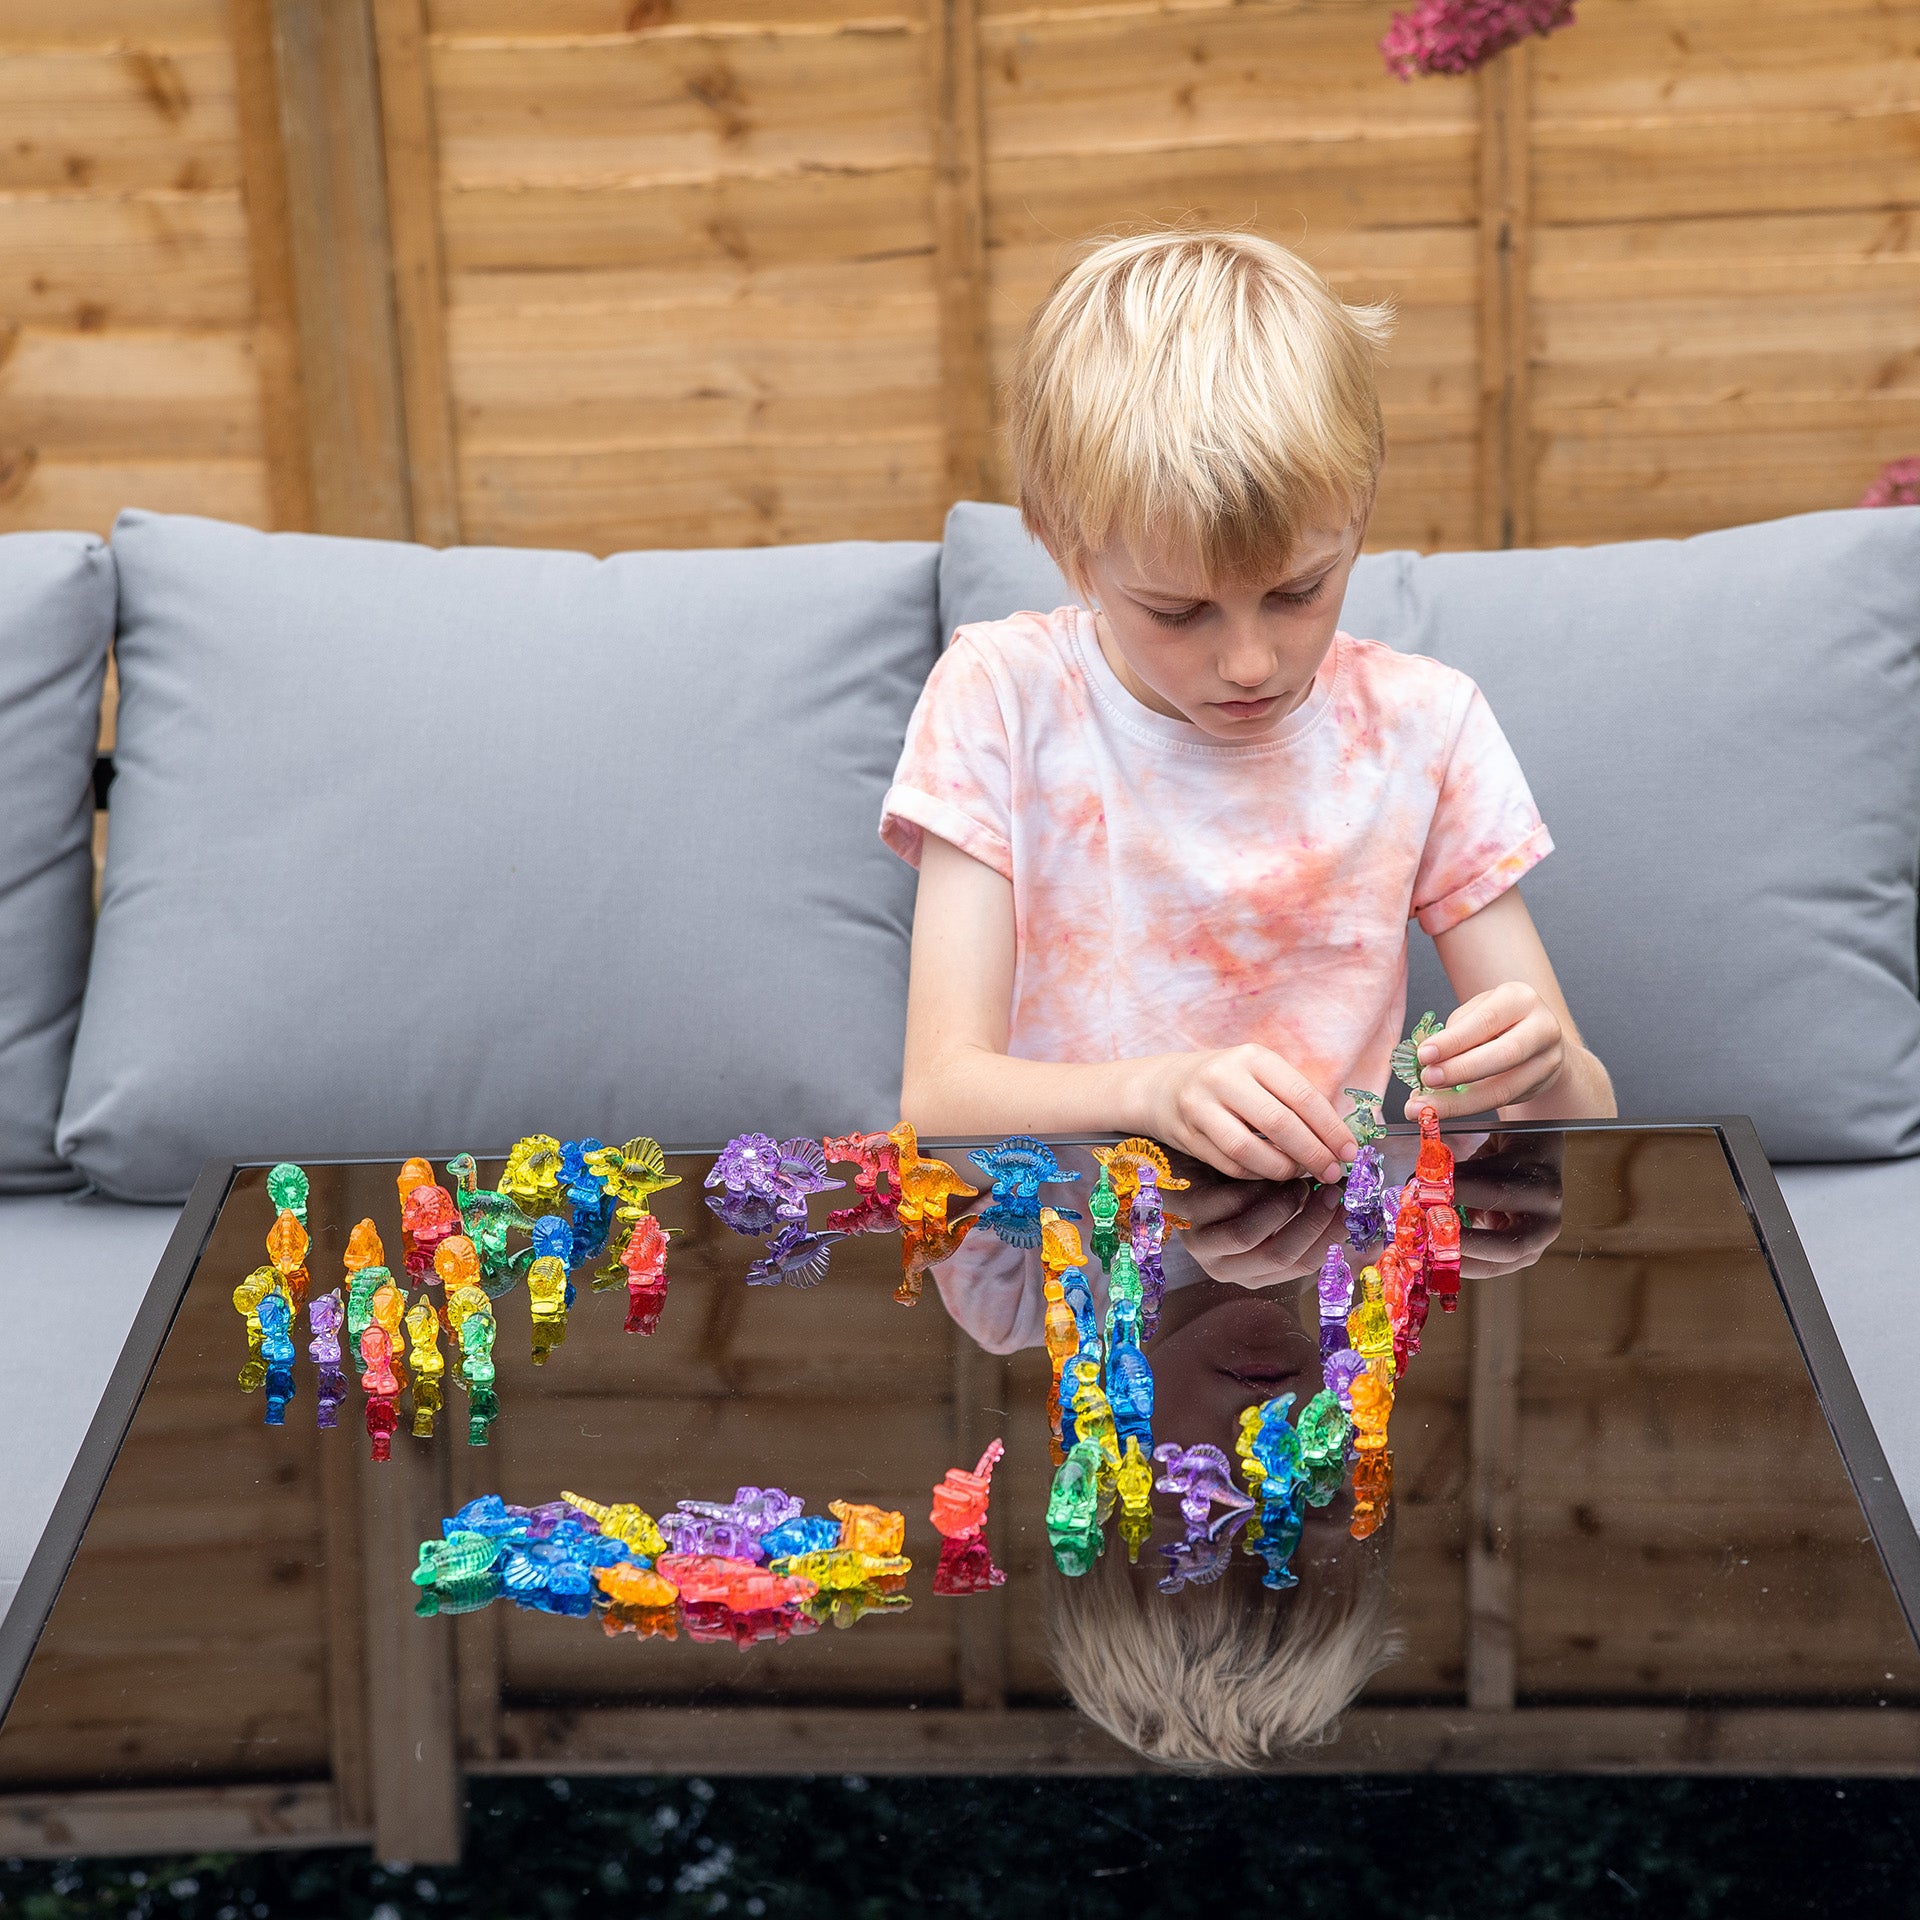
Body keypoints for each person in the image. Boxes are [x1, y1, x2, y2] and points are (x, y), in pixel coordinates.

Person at [882, 230, 1614, 1181]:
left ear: (1358, 516)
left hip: (1327, 1252)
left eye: (1298, 592)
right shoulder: (1003, 698)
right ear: (1069, 550)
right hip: (1069, 1256)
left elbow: (1586, 1115)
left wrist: (1544, 1067)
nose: (1250, 663)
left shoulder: (1423, 728)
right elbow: (939, 1095)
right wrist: (1154, 1093)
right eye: (1178, 612)